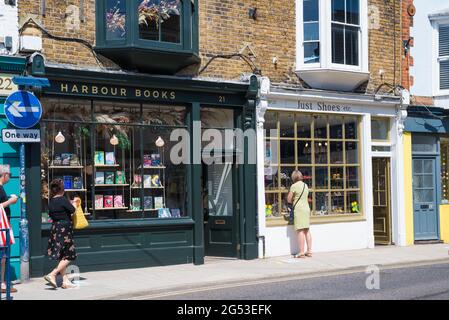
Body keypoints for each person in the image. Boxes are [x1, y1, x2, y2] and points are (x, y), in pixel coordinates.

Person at [44, 179, 77, 289]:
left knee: (62, 255)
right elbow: (72, 210)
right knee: (69, 255)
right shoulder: (63, 200)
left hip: (55, 228)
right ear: (62, 189)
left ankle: (65, 281)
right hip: (65, 229)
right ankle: (52, 274)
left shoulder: (51, 201)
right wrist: (75, 203)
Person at [0, 165, 18, 294]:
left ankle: (3, 282)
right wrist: (11, 201)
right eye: (9, 174)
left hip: (4, 226)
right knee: (3, 255)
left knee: (4, 256)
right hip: (2, 227)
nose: (10, 177)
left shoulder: (2, 188)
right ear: (4, 174)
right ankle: (2, 283)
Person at [287, 170, 312, 258]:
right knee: (307, 230)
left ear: (293, 177)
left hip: (299, 209)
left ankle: (301, 252)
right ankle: (309, 251)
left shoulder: (294, 186)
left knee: (300, 230)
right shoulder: (305, 185)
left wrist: (292, 200)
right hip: (306, 208)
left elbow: (289, 199)